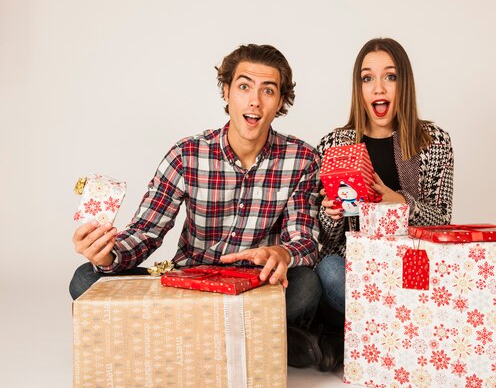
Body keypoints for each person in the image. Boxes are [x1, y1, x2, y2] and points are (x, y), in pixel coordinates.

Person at [70, 44, 323, 368]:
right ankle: (258, 340)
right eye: (244, 86)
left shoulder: (302, 158)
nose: (254, 101)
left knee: (307, 286)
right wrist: (108, 254)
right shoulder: (186, 154)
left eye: (268, 90)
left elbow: (305, 240)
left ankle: (180, 339)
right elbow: (146, 231)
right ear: (227, 91)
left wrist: (283, 254)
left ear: (280, 102)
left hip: (254, 288)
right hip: (189, 285)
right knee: (84, 280)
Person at [315, 38, 454, 371]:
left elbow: (445, 224)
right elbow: (326, 243)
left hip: (412, 267)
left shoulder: (433, 141)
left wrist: (399, 203)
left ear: (403, 83)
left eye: (389, 76)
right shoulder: (334, 143)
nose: (378, 87)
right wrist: (330, 214)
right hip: (359, 270)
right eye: (367, 78)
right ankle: (401, 337)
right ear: (358, 87)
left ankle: (362, 339)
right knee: (329, 271)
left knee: (445, 281)